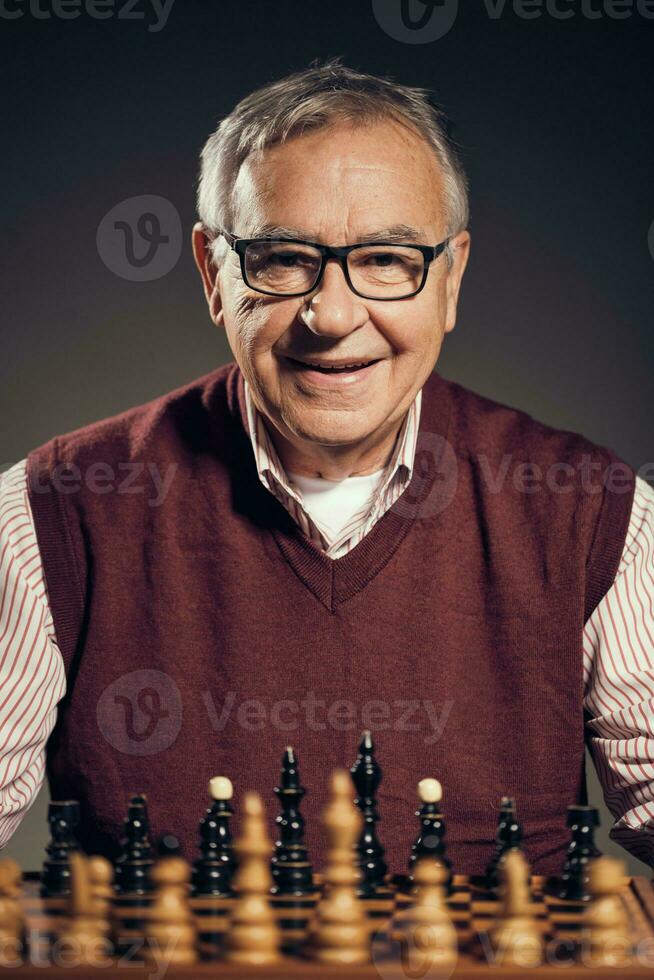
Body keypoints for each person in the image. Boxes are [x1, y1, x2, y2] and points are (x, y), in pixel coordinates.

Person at [0, 60, 652, 874]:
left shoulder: (596, 516)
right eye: (282, 258)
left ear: (449, 279)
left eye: (386, 258)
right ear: (213, 274)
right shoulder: (49, 515)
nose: (333, 315)